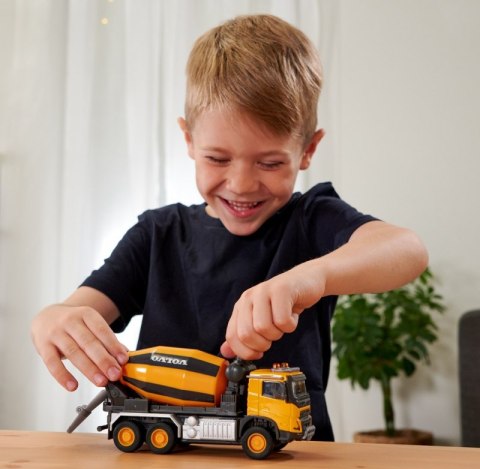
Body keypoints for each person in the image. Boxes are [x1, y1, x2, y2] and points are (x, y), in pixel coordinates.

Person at [31, 14, 428, 440]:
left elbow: (406, 250)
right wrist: (54, 319)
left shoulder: (311, 220)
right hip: (167, 461)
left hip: (294, 460)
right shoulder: (157, 235)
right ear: (188, 140)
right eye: (217, 159)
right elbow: (75, 310)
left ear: (308, 150)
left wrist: (310, 277)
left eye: (270, 163)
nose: (241, 184)